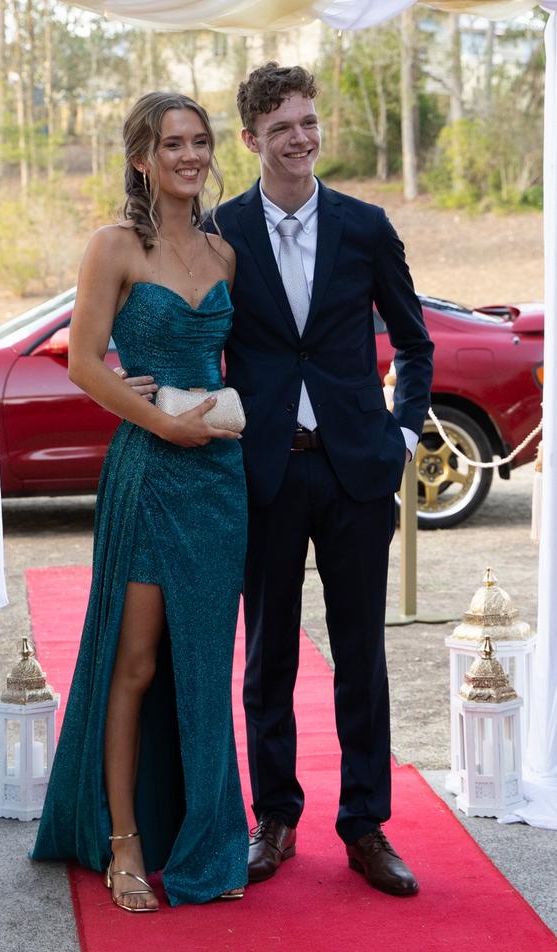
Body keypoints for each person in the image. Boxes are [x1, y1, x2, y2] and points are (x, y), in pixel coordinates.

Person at [215, 62, 434, 897]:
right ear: (252, 141)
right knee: (267, 657)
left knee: (361, 657)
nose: (301, 139)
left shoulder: (368, 227)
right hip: (264, 472)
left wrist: (404, 437)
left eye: (309, 122)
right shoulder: (221, 230)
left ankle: (366, 825)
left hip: (355, 474)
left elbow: (415, 343)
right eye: (282, 129)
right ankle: (274, 819)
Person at [31, 91, 249, 911]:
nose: (189, 156)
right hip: (150, 474)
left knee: (202, 668)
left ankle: (208, 841)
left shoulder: (225, 255)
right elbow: (86, 362)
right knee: (138, 662)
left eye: (198, 142)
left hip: (218, 482)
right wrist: (160, 420)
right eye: (171, 145)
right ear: (141, 158)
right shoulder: (114, 245)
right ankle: (124, 843)